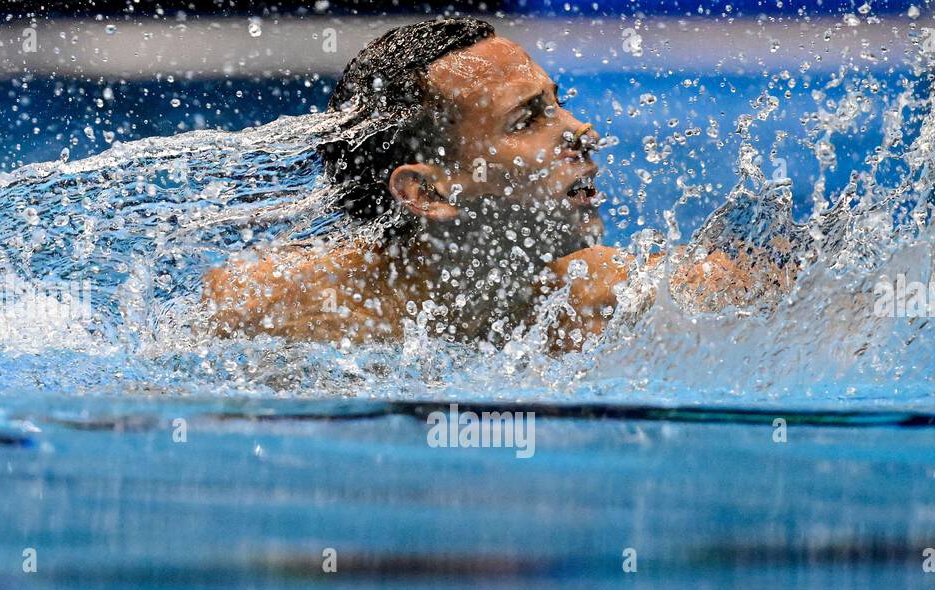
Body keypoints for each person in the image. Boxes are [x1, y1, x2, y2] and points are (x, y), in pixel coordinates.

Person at [203, 16, 785, 352]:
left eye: (560, 105)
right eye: (527, 119)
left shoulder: (624, 299)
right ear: (427, 193)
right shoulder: (271, 306)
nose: (583, 131)